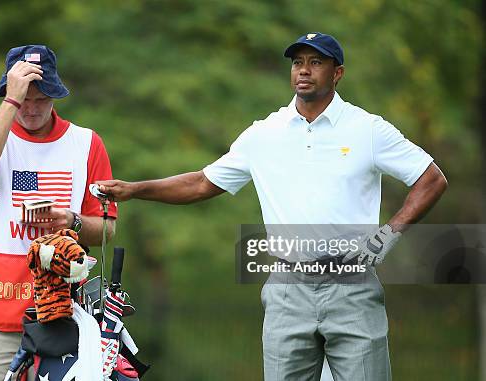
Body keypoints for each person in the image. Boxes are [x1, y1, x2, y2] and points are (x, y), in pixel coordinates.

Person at [95, 32, 448, 380]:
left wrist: (388, 235)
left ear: (337, 73)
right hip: (287, 287)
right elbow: (203, 183)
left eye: (316, 63)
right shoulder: (264, 133)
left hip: (351, 285)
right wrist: (135, 189)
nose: (304, 71)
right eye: (298, 63)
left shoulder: (368, 129)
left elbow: (431, 179)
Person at [0, 45, 117, 380]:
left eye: (40, 99)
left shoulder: (87, 143)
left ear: (55, 96)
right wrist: (9, 102)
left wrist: (70, 221)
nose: (30, 109)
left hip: (63, 309)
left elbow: (106, 229)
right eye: (23, 99)